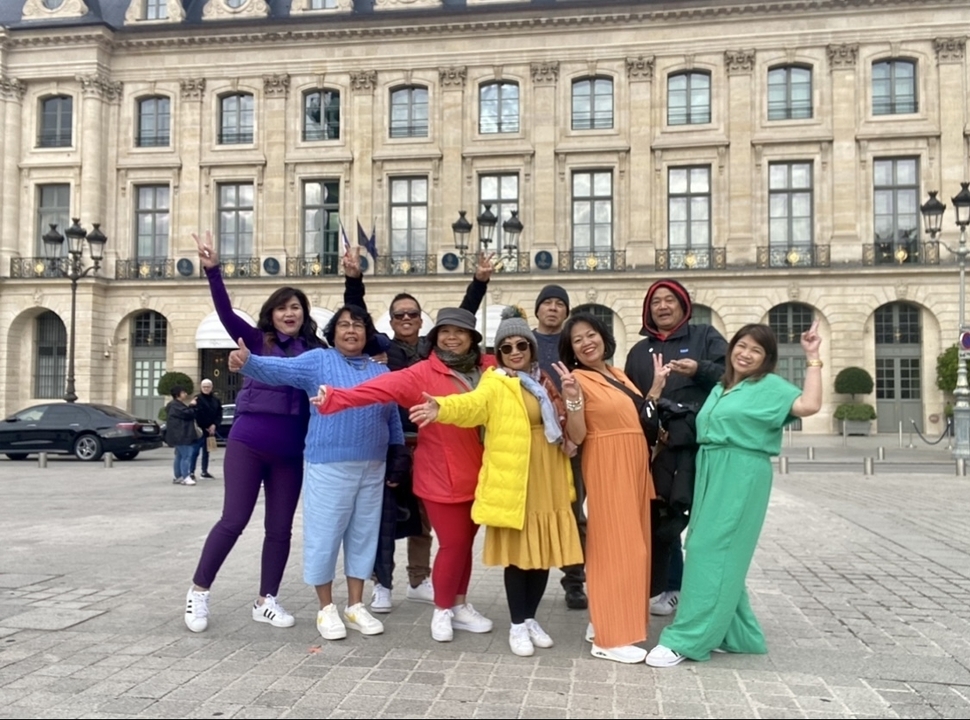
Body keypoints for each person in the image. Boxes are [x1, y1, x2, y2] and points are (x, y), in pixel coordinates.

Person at [646, 321, 822, 667]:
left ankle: (688, 638)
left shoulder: (769, 386)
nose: (746, 354)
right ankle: (737, 634)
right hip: (711, 469)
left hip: (741, 473)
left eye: (756, 350)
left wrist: (812, 357)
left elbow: (809, 405)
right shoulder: (723, 386)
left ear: (766, 358)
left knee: (709, 551)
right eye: (742, 346)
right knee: (711, 549)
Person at [408, 307, 583, 656]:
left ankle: (531, 618)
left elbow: (567, 426)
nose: (515, 352)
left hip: (548, 475)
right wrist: (441, 408)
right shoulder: (495, 382)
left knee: (543, 551)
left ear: (532, 347)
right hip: (516, 480)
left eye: (522, 345)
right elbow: (471, 405)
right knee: (519, 555)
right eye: (506, 347)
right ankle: (517, 625)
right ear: (499, 352)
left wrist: (573, 395)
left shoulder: (544, 382)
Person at [314, 308, 495, 643]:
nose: (451, 338)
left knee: (464, 544)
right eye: (445, 331)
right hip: (441, 475)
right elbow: (379, 388)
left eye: (460, 332)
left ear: (472, 338)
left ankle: (459, 604)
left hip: (483, 475)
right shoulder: (422, 373)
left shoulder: (489, 370)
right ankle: (442, 610)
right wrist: (336, 398)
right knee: (453, 544)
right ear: (435, 336)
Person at [230, 305, 406, 641]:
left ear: (367, 333)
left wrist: (397, 454)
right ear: (333, 332)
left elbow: (392, 417)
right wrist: (249, 361)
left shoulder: (379, 371)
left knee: (363, 537)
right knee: (325, 537)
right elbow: (280, 369)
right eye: (343, 325)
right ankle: (326, 608)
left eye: (358, 325)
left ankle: (355, 606)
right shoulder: (319, 361)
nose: (351, 330)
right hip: (328, 465)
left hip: (372, 466)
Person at [183, 232, 327, 634]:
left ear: (303, 313)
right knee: (233, 520)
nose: (289, 313)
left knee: (280, 528)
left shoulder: (316, 351)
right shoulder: (255, 343)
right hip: (249, 443)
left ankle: (267, 599)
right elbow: (227, 313)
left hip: (291, 451)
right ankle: (199, 591)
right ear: (271, 313)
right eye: (282, 307)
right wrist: (213, 271)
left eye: (295, 307)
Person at [341, 251, 494, 613]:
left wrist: (479, 282)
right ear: (391, 321)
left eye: (413, 313)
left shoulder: (433, 347)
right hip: (394, 444)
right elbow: (356, 314)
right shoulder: (381, 347)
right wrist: (353, 280)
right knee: (386, 515)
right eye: (400, 314)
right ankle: (381, 583)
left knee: (426, 519)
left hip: (431, 443)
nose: (407, 318)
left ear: (422, 320)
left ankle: (419, 578)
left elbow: (461, 319)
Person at [553, 312, 669, 664]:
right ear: (571, 349)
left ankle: (601, 621)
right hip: (607, 463)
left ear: (603, 337)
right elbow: (576, 435)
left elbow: (636, 417)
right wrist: (572, 397)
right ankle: (609, 637)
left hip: (634, 466)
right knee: (619, 548)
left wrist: (656, 388)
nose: (587, 342)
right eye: (578, 340)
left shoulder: (617, 374)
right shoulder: (577, 380)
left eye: (591, 334)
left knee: (634, 546)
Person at [624, 279, 727, 617]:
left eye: (670, 300)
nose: (663, 306)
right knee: (665, 520)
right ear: (648, 310)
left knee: (704, 523)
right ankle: (671, 587)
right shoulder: (639, 352)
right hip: (661, 449)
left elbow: (733, 375)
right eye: (656, 302)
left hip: (702, 444)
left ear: (683, 305)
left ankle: (708, 590)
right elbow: (632, 400)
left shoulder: (705, 337)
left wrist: (700, 369)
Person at [532, 285, 587, 611]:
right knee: (535, 511)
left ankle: (574, 581)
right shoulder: (525, 342)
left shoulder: (573, 343)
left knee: (574, 511)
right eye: (547, 303)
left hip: (572, 441)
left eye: (559, 304)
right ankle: (531, 572)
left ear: (566, 311)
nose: (553, 309)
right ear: (537, 309)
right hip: (535, 441)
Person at [189, 378, 222, 480]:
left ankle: (204, 471)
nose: (206, 388)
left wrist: (214, 425)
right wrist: (206, 426)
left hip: (210, 430)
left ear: (211, 387)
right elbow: (195, 414)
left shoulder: (216, 400)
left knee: (207, 452)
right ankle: (191, 472)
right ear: (201, 387)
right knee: (195, 452)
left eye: (208, 387)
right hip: (199, 430)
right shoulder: (197, 399)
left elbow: (219, 414)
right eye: (204, 387)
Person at [165, 386, 198, 487]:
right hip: (182, 435)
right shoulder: (175, 405)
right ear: (177, 394)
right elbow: (188, 414)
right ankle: (185, 476)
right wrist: (192, 406)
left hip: (178, 434)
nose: (186, 394)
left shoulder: (175, 405)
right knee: (186, 456)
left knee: (179, 456)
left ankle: (178, 476)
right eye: (183, 392)